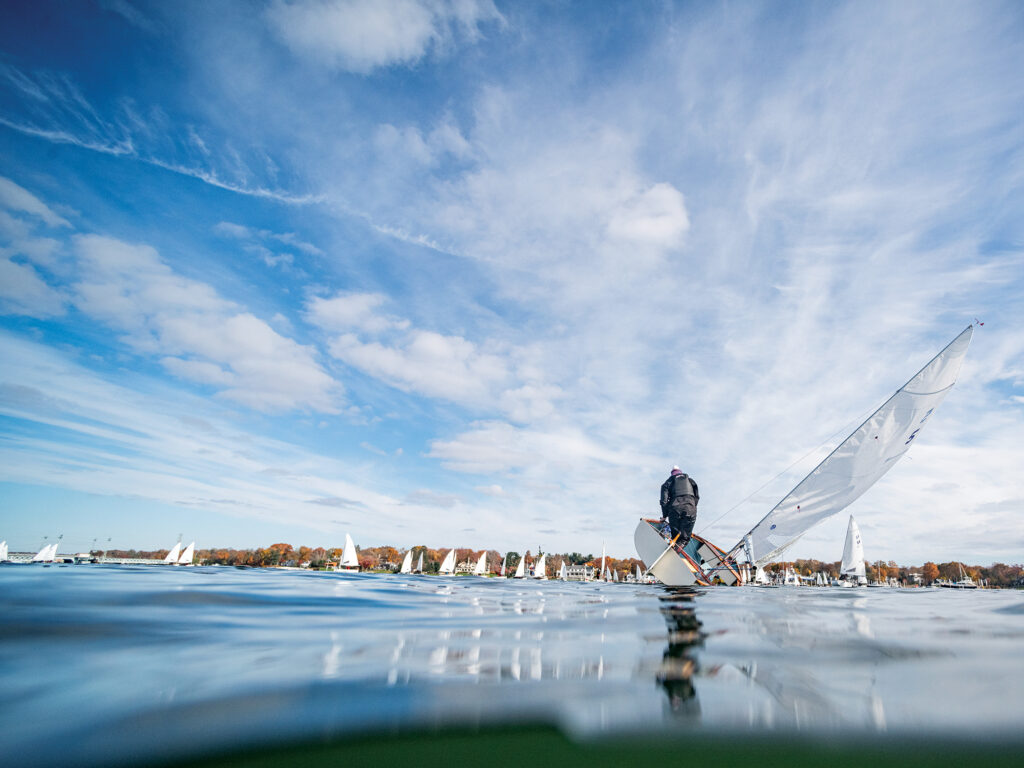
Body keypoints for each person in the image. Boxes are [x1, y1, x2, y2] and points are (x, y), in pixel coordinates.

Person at [660, 466, 699, 545]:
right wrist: (691, 508)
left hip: (675, 509)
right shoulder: (691, 481)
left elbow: (664, 501)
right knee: (684, 539)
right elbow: (697, 497)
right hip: (691, 508)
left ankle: (674, 546)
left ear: (672, 474)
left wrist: (664, 516)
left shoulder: (668, 482)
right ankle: (681, 546)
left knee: (675, 538)